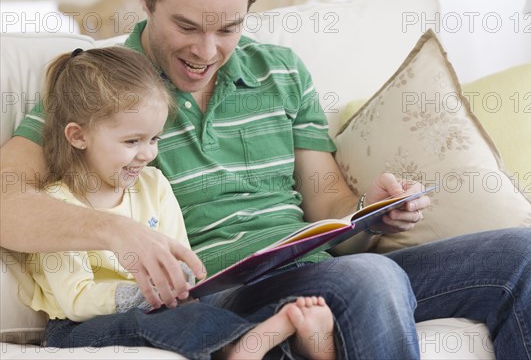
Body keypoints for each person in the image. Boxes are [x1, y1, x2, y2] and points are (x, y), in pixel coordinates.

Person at [0, 0, 531, 358]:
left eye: (227, 28)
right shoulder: (98, 86)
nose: (206, 50)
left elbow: (328, 208)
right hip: (224, 292)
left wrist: (373, 214)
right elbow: (6, 199)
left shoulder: (282, 72)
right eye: (187, 26)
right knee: (370, 280)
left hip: (315, 268)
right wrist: (118, 232)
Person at [26, 46, 336, 360]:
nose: (148, 154)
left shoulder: (154, 185)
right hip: (78, 327)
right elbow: (75, 300)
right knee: (161, 322)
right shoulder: (58, 206)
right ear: (78, 136)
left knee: (192, 315)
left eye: (154, 139)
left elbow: (181, 259)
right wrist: (144, 296)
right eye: (132, 141)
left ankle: (271, 339)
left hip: (160, 309)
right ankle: (245, 347)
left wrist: (182, 284)